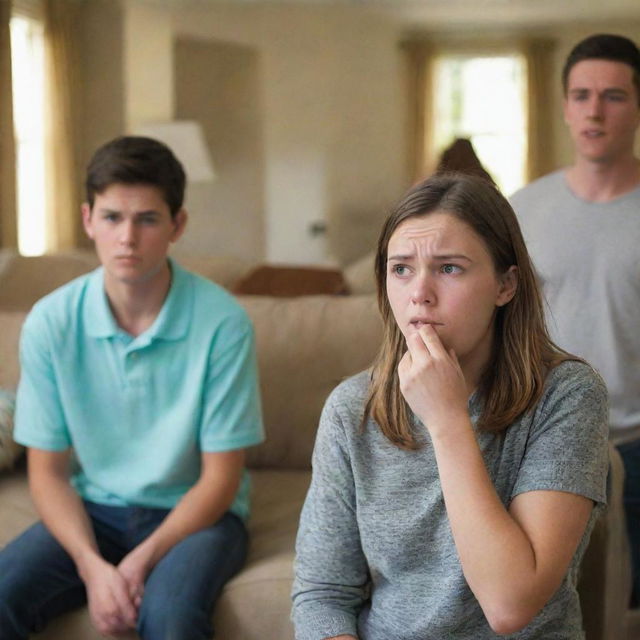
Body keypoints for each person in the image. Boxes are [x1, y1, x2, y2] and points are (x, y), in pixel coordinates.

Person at [292, 173, 609, 639]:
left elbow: (510, 605)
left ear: (506, 285)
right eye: (401, 268)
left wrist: (447, 419)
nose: (419, 292)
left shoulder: (569, 396)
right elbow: (323, 596)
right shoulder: (352, 409)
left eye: (449, 268)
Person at [0, 136, 264, 640]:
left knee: (170, 619)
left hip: (199, 515)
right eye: (112, 217)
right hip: (94, 510)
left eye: (146, 219)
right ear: (87, 220)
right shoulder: (51, 322)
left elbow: (221, 479)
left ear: (176, 225)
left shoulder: (223, 323)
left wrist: (140, 561)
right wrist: (91, 566)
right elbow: (48, 473)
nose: (127, 238)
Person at [510, 33, 640, 606]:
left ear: (637, 106)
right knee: (555, 600)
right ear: (564, 106)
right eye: (581, 94)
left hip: (638, 442)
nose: (594, 110)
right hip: (547, 439)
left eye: (612, 96)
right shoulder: (522, 209)